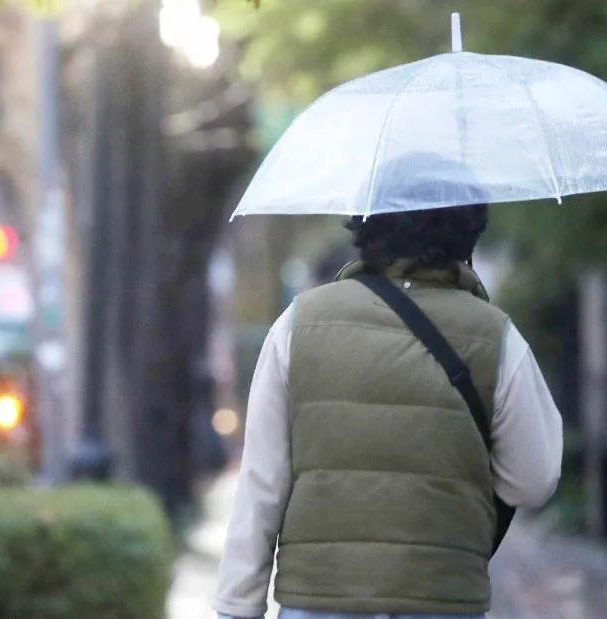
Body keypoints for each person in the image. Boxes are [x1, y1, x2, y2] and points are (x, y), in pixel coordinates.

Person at [214, 200, 563, 619]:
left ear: (366, 226)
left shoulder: (298, 325)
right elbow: (534, 480)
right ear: (468, 230)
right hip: (441, 597)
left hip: (320, 598)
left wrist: (238, 606)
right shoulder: (497, 338)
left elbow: (262, 484)